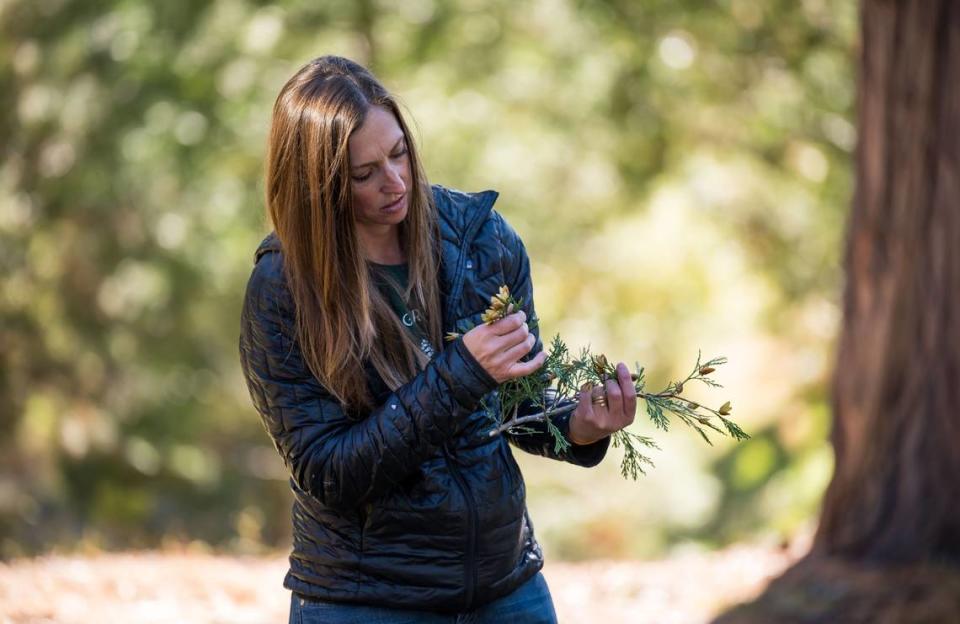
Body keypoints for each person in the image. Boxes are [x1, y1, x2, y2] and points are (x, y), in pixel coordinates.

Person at [239, 56, 637, 623]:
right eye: (363, 173)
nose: (395, 181)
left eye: (399, 153)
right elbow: (329, 473)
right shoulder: (283, 288)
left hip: (505, 588)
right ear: (316, 183)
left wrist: (579, 425)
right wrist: (462, 373)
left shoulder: (479, 238)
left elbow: (516, 408)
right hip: (367, 601)